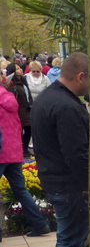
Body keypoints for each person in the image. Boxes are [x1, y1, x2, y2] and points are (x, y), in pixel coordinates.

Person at [29, 53, 90, 247]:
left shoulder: (48, 97)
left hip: (55, 179)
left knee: (71, 238)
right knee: (69, 240)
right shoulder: (66, 106)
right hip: (68, 183)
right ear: (81, 76)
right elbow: (76, 155)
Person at [0, 81, 50, 236]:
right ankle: (39, 224)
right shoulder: (9, 98)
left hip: (1, 152)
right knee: (20, 190)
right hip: (14, 151)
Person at [6, 63, 33, 157]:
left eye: (19, 68)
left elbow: (27, 93)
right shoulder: (12, 84)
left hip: (26, 110)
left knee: (29, 130)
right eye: (17, 69)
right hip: (18, 111)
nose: (20, 70)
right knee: (19, 132)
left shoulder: (23, 80)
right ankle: (20, 150)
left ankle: (24, 148)